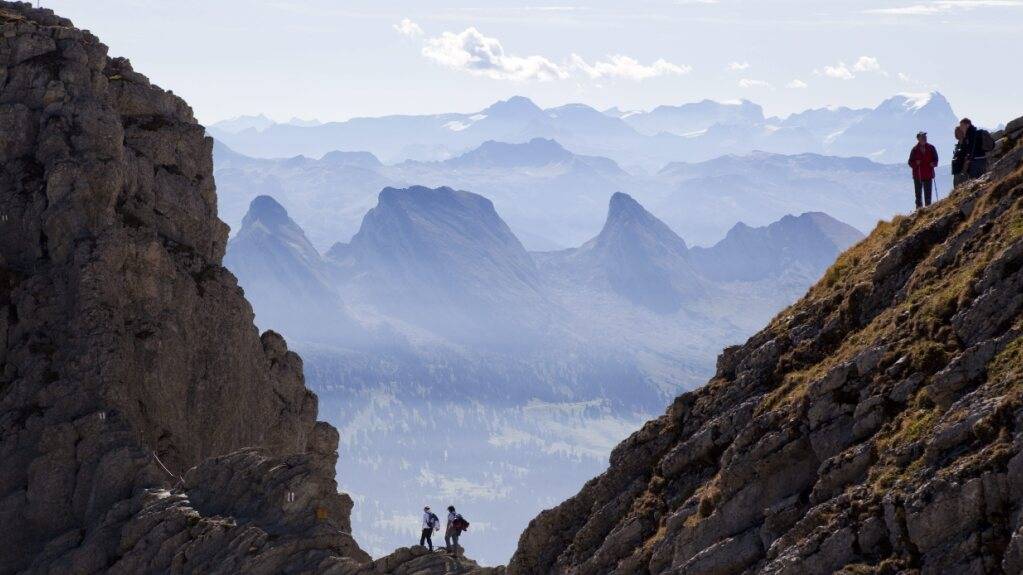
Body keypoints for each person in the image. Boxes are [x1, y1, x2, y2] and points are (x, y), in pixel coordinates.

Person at [908, 131, 939, 209]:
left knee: (928, 196)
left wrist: (934, 164)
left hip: (928, 174)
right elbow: (910, 162)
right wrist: (916, 163)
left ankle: (928, 210)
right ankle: (919, 211)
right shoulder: (914, 149)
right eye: (923, 137)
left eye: (925, 137)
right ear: (918, 138)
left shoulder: (931, 148)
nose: (925, 138)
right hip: (918, 175)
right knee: (918, 196)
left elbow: (936, 159)